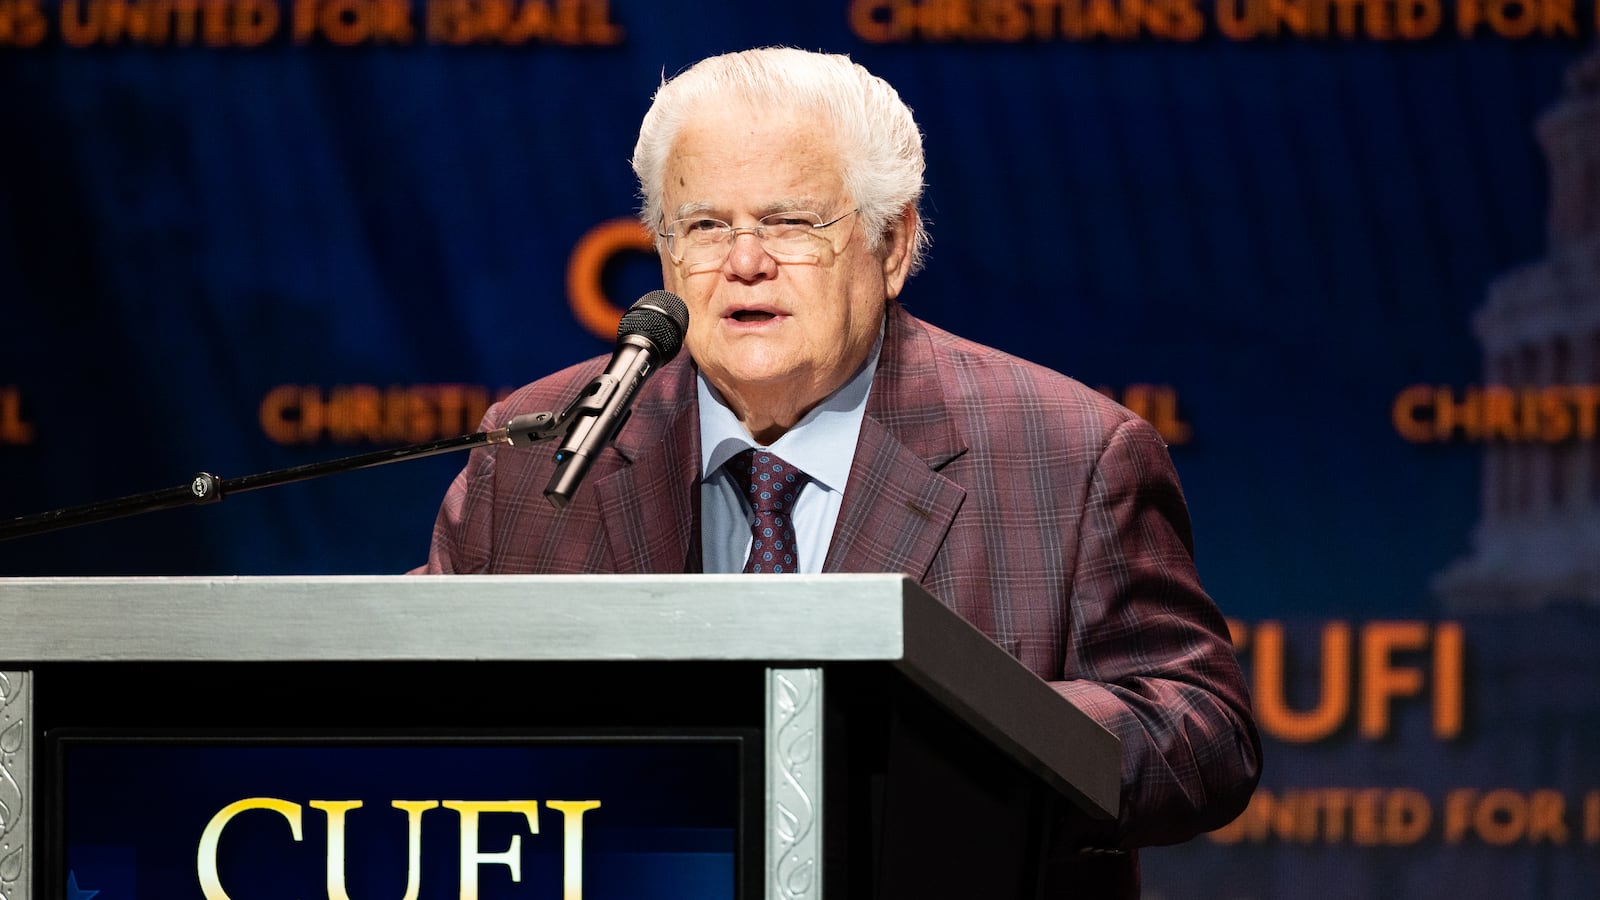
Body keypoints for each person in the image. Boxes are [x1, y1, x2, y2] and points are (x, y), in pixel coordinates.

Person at [415, 46, 1260, 893]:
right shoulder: (535, 458)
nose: (745, 261)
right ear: (665, 254)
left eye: (789, 222)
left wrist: (973, 741)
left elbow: (1204, 731)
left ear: (891, 245)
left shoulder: (1070, 453)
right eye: (705, 226)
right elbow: (398, 703)